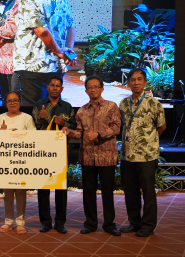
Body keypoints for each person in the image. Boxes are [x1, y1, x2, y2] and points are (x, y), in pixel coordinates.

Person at [63, 76, 122, 236]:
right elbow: (80, 133)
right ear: (86, 91)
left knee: (107, 191)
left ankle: (109, 224)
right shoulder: (81, 111)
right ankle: (90, 223)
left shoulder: (112, 106)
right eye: (90, 87)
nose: (93, 89)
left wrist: (98, 134)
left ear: (102, 89)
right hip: (88, 156)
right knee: (88, 191)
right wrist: (69, 132)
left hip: (107, 156)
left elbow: (116, 128)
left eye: (96, 87)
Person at [118, 69, 166, 237]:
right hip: (128, 156)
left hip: (147, 155)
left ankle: (148, 226)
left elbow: (161, 127)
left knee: (148, 193)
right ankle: (134, 222)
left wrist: (148, 141)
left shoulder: (154, 103)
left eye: (139, 79)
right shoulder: (123, 103)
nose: (136, 82)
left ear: (145, 82)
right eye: (133, 80)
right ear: (128, 83)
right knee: (130, 192)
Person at [31, 76, 76, 234]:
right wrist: (40, 119)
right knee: (43, 188)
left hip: (60, 152)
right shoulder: (38, 105)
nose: (55, 88)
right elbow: (32, 128)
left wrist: (64, 124)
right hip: (42, 152)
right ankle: (45, 221)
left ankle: (60, 222)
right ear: (48, 87)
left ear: (62, 89)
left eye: (58, 86)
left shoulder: (68, 106)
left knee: (61, 189)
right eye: (52, 85)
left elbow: (74, 126)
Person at [12, 0, 77, 106]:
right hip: (56, 66)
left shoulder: (29, 1)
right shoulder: (62, 1)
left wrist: (57, 50)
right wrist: (68, 52)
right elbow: (71, 26)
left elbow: (41, 30)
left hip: (32, 66)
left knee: (28, 116)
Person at [0, 92, 35, 234]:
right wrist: (1, 132)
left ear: (20, 102)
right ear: (5, 103)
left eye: (15, 100)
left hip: (22, 161)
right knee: (8, 192)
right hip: (5, 161)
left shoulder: (27, 118)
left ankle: (20, 222)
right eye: (10, 100)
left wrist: (21, 135)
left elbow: (35, 138)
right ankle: (8, 222)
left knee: (21, 191)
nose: (13, 103)